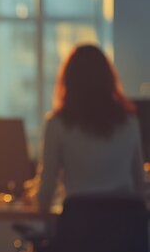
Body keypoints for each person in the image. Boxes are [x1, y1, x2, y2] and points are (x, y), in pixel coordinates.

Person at [34, 44, 145, 214]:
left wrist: (38, 206)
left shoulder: (57, 124)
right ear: (109, 80)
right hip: (125, 231)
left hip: (79, 230)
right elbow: (139, 185)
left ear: (68, 81)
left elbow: (47, 189)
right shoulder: (129, 123)